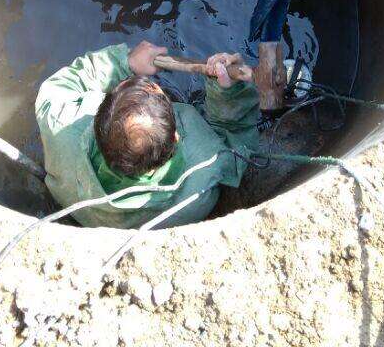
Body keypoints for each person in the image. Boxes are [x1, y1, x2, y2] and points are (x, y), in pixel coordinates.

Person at [35, 40, 260, 228]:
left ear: (97, 125)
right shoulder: (204, 177)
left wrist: (126, 62)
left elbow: (60, 85)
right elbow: (237, 140)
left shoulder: (60, 129)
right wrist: (228, 92)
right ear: (175, 138)